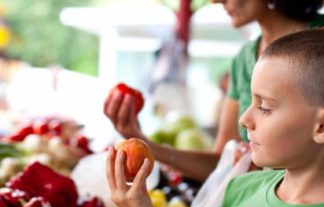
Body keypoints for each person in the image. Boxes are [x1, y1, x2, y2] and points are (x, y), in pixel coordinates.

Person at [107, 28, 324, 207]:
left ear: (321, 126)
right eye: (251, 101)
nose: (244, 119)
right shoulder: (239, 190)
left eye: (264, 107)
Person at [104, 0, 324, 181]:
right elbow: (221, 164)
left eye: (265, 106)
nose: (215, 1)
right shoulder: (243, 61)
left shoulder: (319, 43)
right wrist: (143, 143)